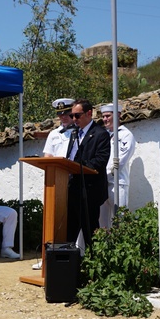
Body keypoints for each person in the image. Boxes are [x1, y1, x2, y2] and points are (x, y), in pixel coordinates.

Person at [66, 99, 110, 250]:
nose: (74, 119)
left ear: (89, 113)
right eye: (72, 116)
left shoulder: (100, 134)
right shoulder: (74, 134)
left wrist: (78, 166)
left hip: (89, 191)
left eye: (77, 116)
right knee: (69, 230)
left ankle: (94, 263)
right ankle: (69, 265)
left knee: (90, 230)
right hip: (73, 189)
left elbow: (100, 161)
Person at [98, 103, 136, 228]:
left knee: (119, 220)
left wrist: (102, 173)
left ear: (118, 115)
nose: (105, 119)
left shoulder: (126, 135)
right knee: (102, 222)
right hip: (103, 183)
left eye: (108, 116)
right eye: (103, 116)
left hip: (117, 183)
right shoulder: (104, 135)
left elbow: (121, 161)